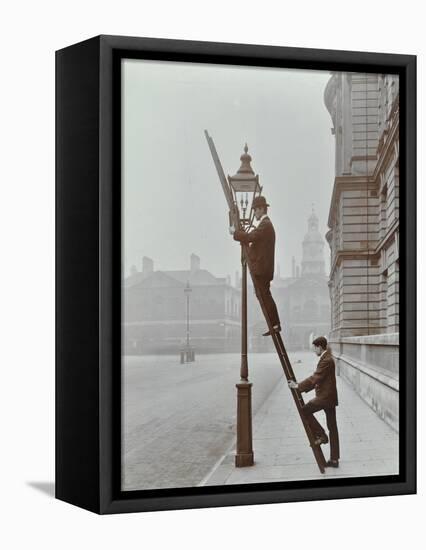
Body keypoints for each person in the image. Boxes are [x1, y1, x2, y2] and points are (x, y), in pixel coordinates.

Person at [229, 195, 281, 336]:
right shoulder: (266, 225)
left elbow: (251, 236)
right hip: (263, 268)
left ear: (261, 209)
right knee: (262, 295)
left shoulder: (265, 225)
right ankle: (274, 324)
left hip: (262, 268)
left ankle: (275, 324)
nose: (254, 213)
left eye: (255, 210)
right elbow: (254, 239)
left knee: (264, 295)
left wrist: (235, 233)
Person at [288, 336, 340, 468]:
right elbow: (318, 379)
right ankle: (334, 459)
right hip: (328, 397)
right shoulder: (326, 358)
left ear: (319, 347)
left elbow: (315, 378)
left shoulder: (326, 359)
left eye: (314, 348)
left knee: (304, 410)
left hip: (325, 398)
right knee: (333, 427)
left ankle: (321, 435)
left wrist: (298, 386)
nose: (313, 351)